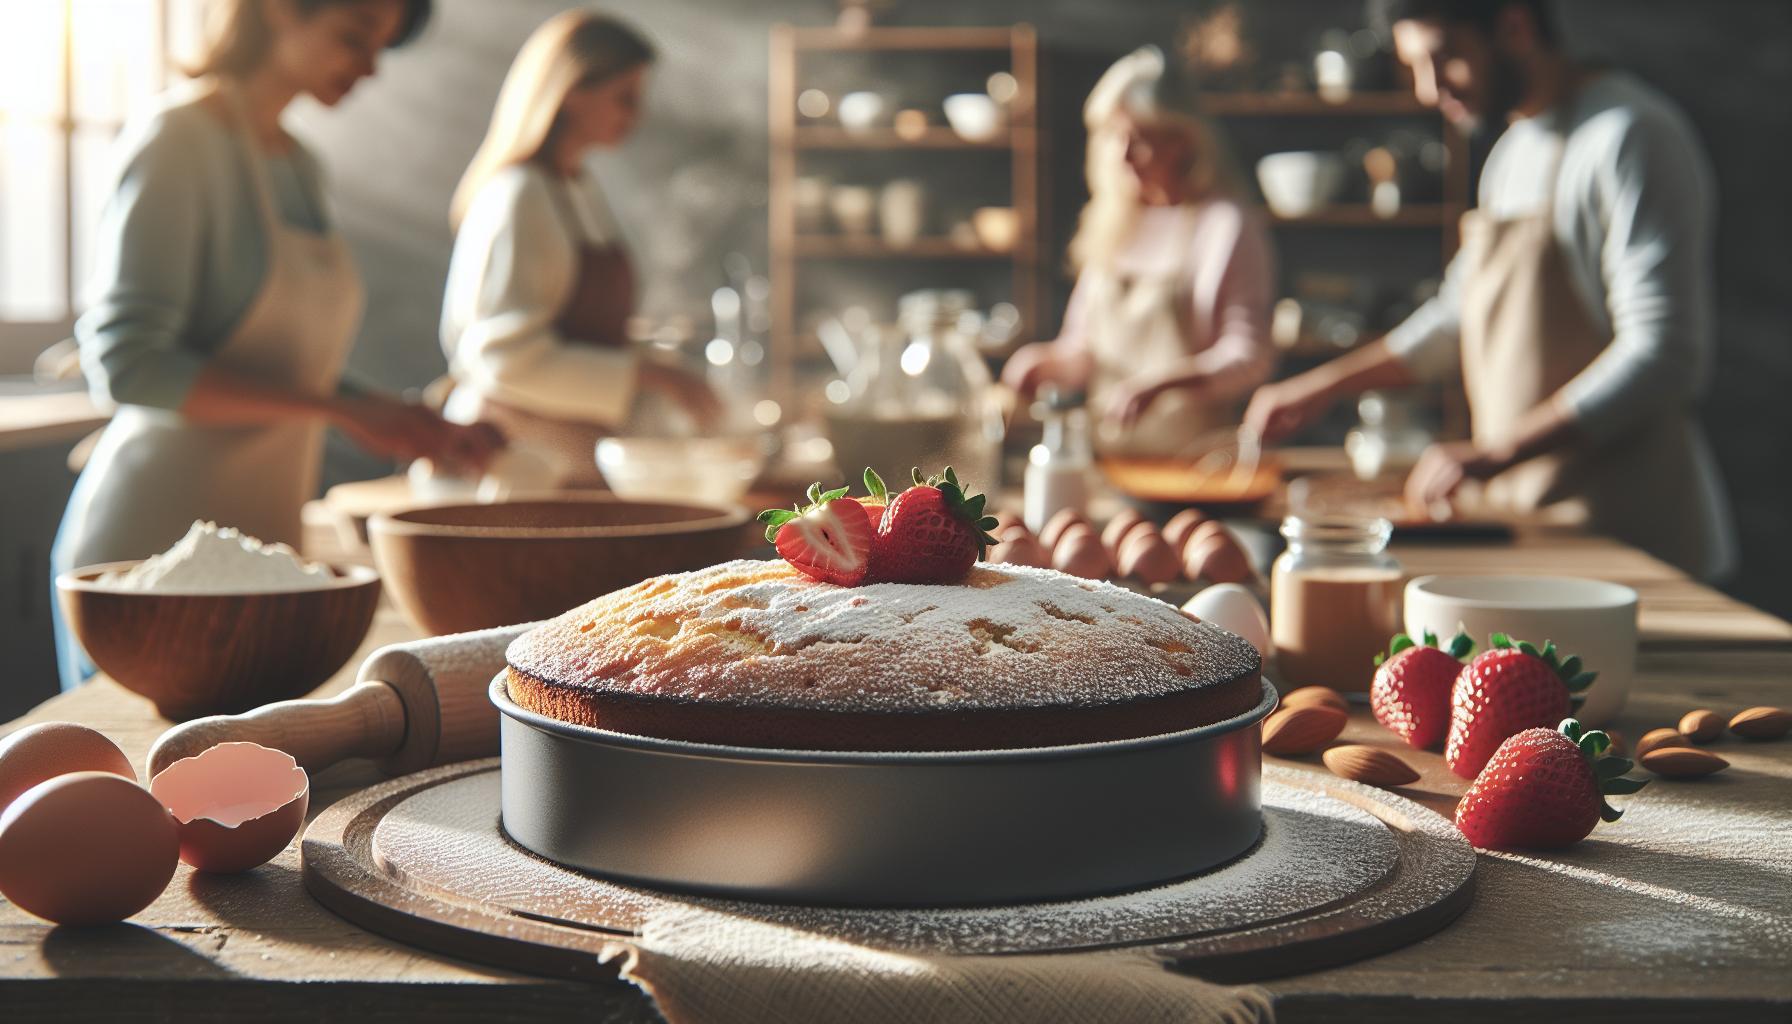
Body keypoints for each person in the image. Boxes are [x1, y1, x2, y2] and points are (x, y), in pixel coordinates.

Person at [52, 0, 502, 689]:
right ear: (277, 9)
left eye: (381, 46)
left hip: (263, 548)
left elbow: (297, 369)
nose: (370, 67)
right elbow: (128, 366)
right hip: (149, 558)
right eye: (353, 37)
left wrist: (396, 415)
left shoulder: (298, 164)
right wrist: (342, 412)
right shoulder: (180, 136)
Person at [1244, 0, 1734, 579]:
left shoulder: (1629, 137)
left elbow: (1665, 354)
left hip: (1629, 535)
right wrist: (1322, 387)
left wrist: (1496, 452)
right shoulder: (1511, 152)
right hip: (1533, 524)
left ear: (1515, 26)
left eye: (1444, 59)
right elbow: (1458, 314)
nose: (1429, 91)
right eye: (1415, 68)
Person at [440, 9, 719, 486]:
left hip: (568, 456)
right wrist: (651, 375)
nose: (635, 115)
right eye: (624, 98)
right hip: (518, 463)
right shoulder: (519, 195)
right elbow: (501, 359)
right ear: (571, 93)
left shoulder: (574, 189)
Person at [1003, 45, 1276, 456]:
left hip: (1192, 464)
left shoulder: (1225, 225)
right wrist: (1042, 363)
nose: (1123, 155)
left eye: (1141, 138)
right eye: (1115, 136)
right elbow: (1083, 349)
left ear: (1184, 141)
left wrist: (1164, 383)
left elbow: (1249, 357)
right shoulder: (1113, 222)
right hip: (1104, 460)